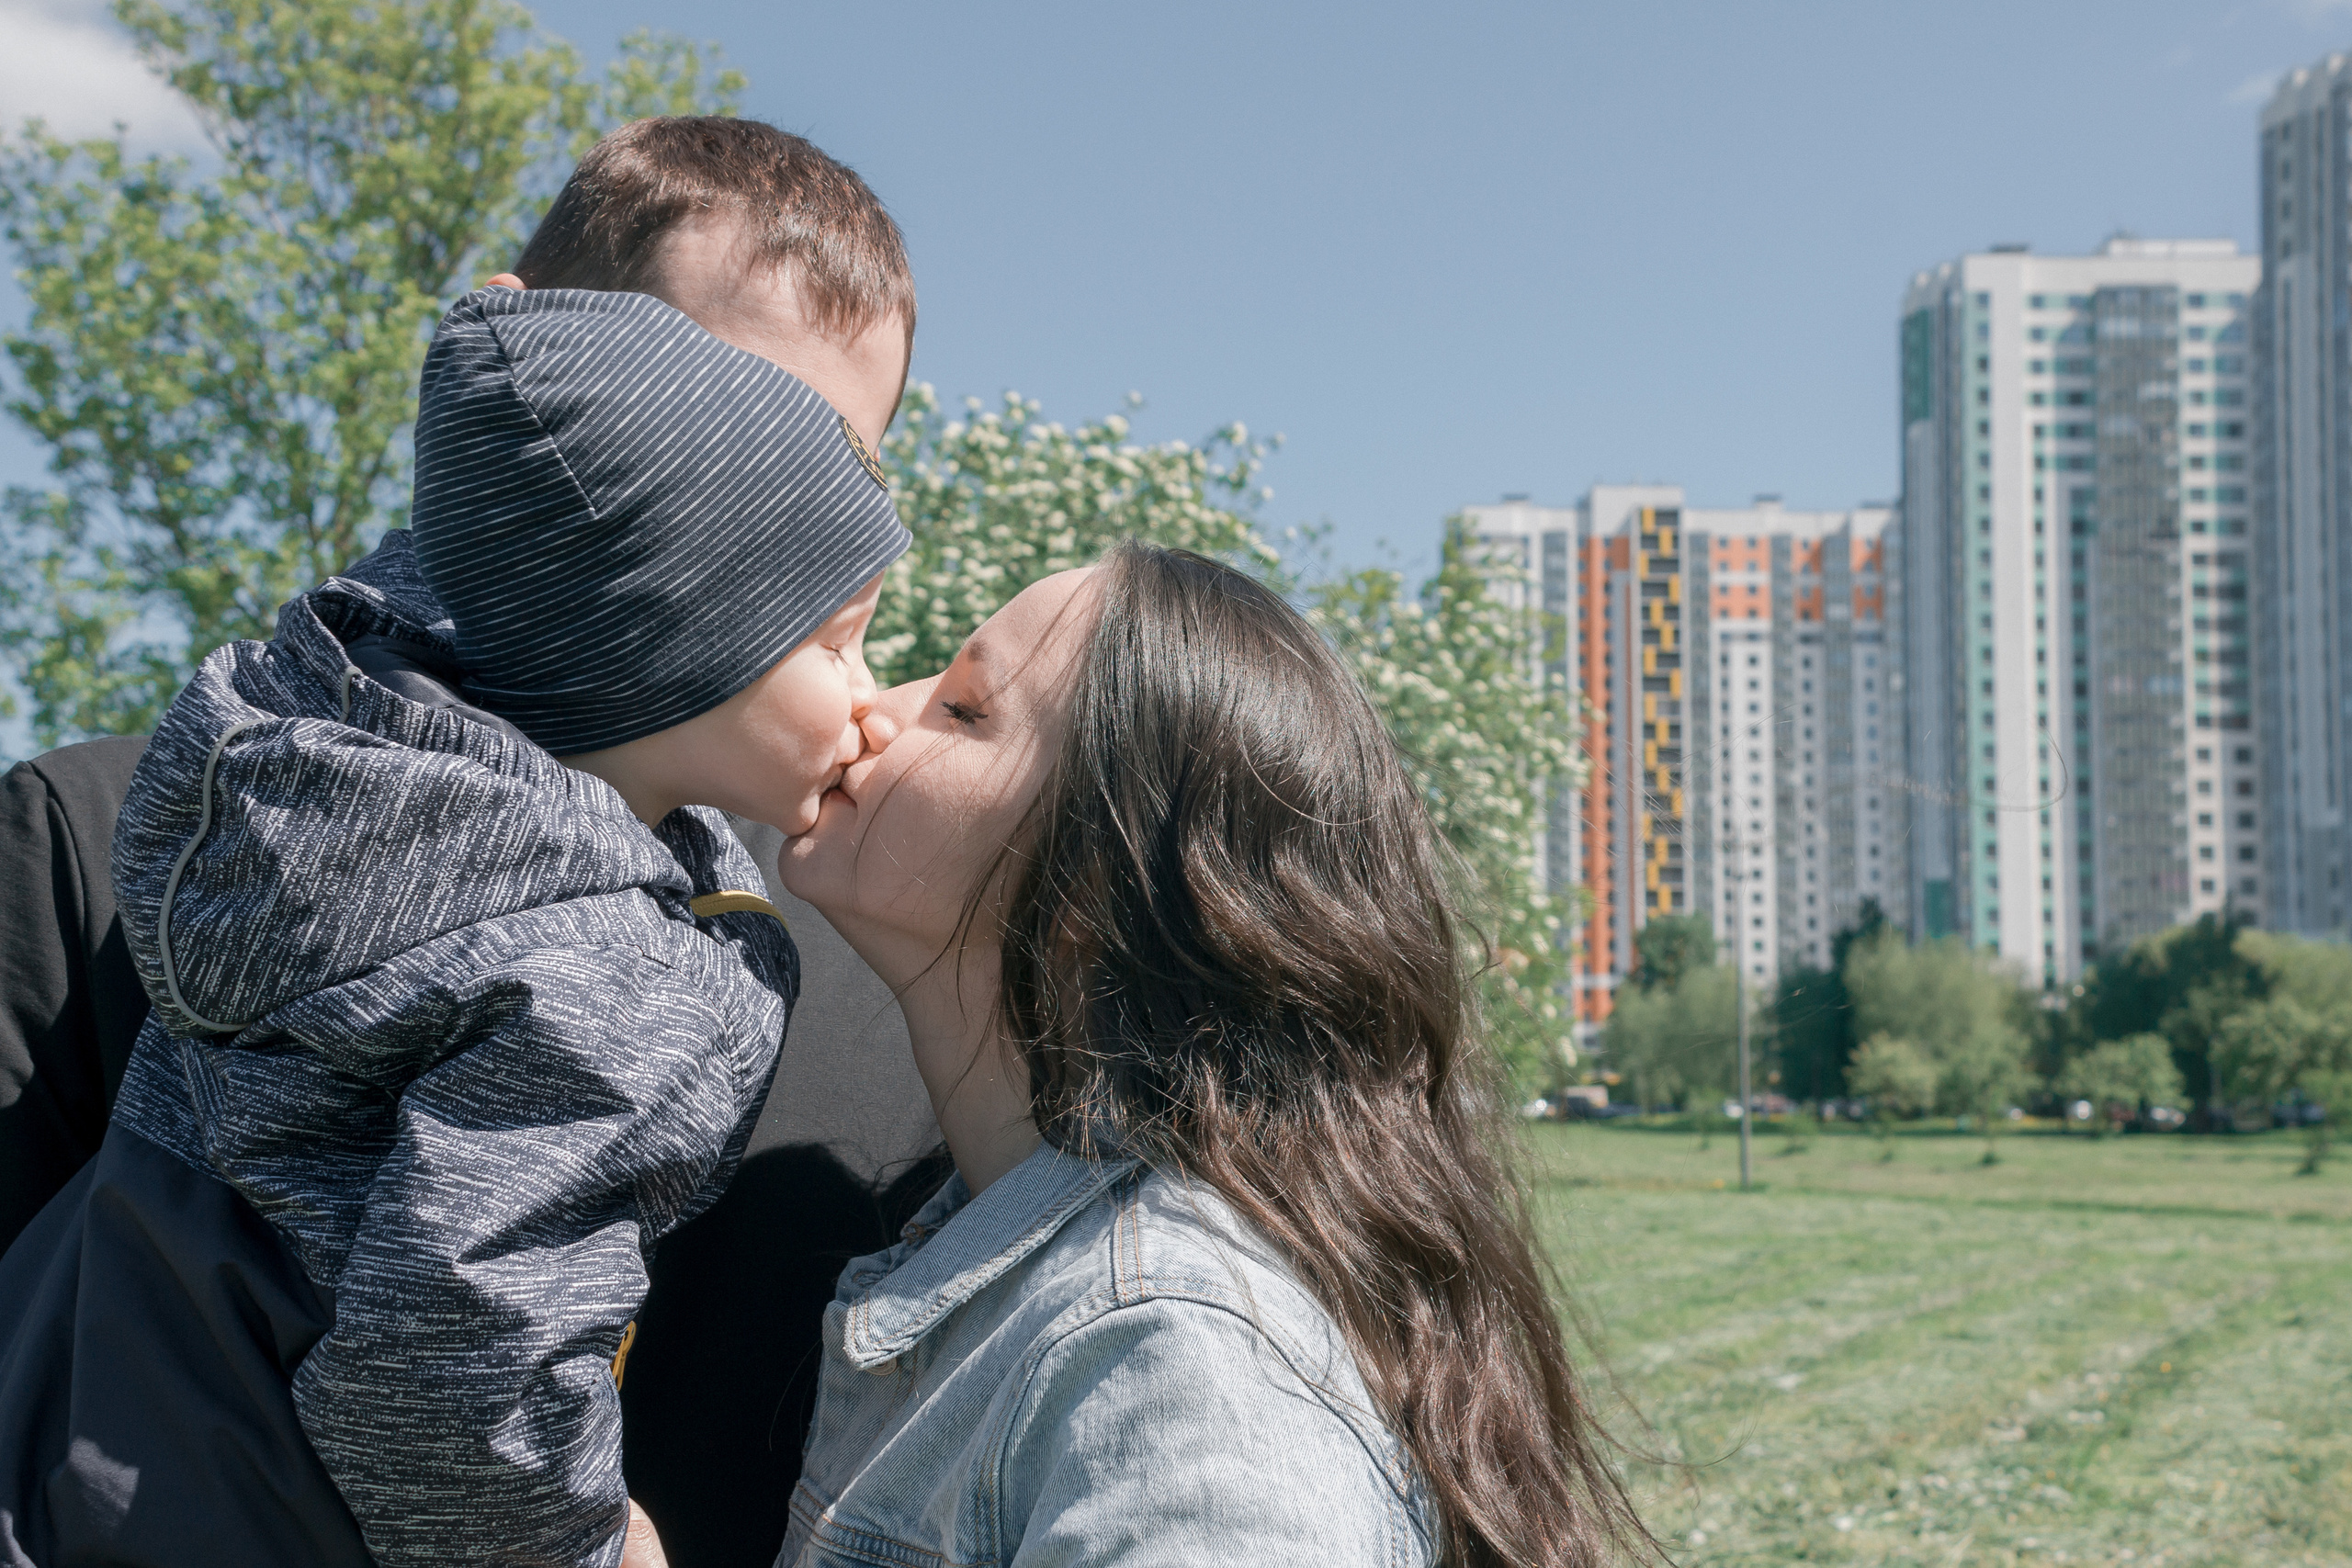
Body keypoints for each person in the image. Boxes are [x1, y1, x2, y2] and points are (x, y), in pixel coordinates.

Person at [0, 116, 945, 1568]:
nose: (763, 533)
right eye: (714, 428)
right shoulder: (82, 848)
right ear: (512, 359)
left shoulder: (889, 1025)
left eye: (839, 476)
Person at [652, 543, 1649, 1566]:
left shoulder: (1179, 1359)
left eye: (962, 709)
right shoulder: (1015, 1254)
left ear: (1096, 892)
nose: (878, 708)